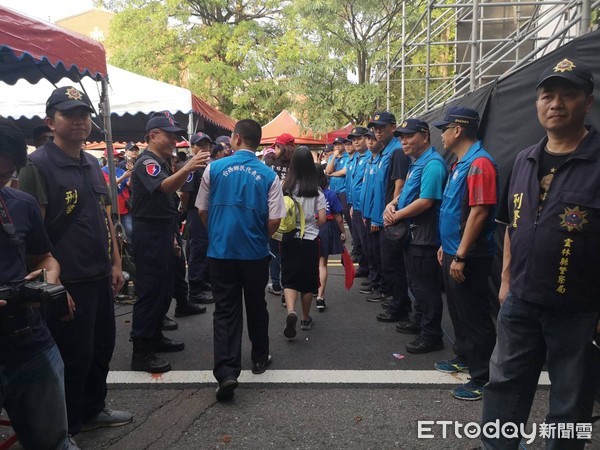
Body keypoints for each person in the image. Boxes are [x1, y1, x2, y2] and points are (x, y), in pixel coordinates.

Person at [481, 59, 600, 448]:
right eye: (548, 95)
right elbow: (514, 225)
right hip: (520, 302)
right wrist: (505, 280)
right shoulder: (523, 160)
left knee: (569, 403)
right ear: (537, 105)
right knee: (503, 389)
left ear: (588, 102)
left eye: (568, 95)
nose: (556, 104)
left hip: (579, 308)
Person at [18, 86, 132, 435]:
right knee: (71, 357)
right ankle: (65, 428)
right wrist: (51, 286)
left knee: (102, 348)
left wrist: (115, 262)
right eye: (70, 114)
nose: (80, 120)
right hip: (67, 281)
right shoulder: (37, 166)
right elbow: (29, 236)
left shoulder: (92, 162)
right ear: (50, 121)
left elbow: (103, 216)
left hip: (99, 275)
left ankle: (93, 409)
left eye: (84, 114)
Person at [0, 118, 78, 450]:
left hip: (30, 344)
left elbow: (44, 257)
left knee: (54, 442)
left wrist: (49, 278)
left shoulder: (21, 203)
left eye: (4, 176)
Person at [196, 119, 285, 402]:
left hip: (221, 251)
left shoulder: (214, 168)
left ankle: (226, 372)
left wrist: (219, 230)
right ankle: (259, 358)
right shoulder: (269, 175)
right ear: (257, 142)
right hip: (255, 253)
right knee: (256, 304)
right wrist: (257, 235)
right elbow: (275, 219)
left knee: (225, 309)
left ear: (235, 139)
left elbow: (201, 210)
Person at [129, 111, 210, 374]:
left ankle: (154, 336)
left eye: (176, 135)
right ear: (153, 136)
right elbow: (163, 188)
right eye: (169, 135)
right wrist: (187, 167)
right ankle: (141, 350)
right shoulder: (146, 162)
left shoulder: (160, 160)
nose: (174, 140)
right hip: (150, 232)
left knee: (164, 288)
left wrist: (173, 238)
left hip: (163, 230)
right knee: (150, 290)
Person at [433, 106, 498, 401]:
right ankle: (463, 355)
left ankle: (483, 376)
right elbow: (453, 210)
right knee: (459, 311)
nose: (442, 136)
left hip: (469, 255)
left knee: (474, 315)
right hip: (451, 250)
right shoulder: (460, 163)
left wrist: (460, 255)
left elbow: (479, 212)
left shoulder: (480, 164)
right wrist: (445, 248)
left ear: (457, 130)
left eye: (444, 129)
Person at [384, 119, 448, 354]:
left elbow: (426, 201)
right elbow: (407, 194)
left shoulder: (432, 164)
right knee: (416, 282)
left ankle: (431, 335)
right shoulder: (416, 163)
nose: (404, 141)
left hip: (425, 237)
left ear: (424, 135)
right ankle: (419, 320)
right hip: (413, 235)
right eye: (401, 137)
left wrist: (397, 214)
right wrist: (392, 204)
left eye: (409, 136)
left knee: (426, 287)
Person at [280, 146, 327, 338]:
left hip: (289, 237)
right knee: (308, 282)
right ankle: (305, 318)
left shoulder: (285, 186)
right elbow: (323, 219)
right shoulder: (315, 189)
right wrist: (311, 222)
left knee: (290, 278)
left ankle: (291, 311)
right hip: (309, 239)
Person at [180, 132, 215, 305]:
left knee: (206, 247)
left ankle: (203, 281)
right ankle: (194, 289)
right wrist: (189, 211)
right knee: (198, 249)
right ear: (192, 147)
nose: (205, 148)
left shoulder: (207, 165)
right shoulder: (191, 167)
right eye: (200, 145)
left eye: (207, 145)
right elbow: (185, 194)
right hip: (196, 211)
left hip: (207, 212)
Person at [264, 132, 295, 298]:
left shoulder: (269, 162)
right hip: (294, 211)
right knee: (290, 250)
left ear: (279, 146)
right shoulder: (297, 163)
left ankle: (276, 283)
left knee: (274, 249)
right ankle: (289, 284)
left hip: (273, 211)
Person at [315, 164, 346, 310]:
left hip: (308, 227)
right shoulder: (330, 194)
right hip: (326, 228)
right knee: (322, 263)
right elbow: (339, 217)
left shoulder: (303, 192)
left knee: (309, 262)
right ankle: (320, 297)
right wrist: (342, 232)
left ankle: (309, 291)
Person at [345, 126, 371, 277]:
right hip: (355, 206)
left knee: (367, 242)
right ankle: (363, 267)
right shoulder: (355, 158)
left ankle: (371, 272)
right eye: (353, 139)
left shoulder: (369, 157)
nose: (355, 142)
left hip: (364, 207)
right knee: (359, 240)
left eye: (359, 138)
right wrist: (352, 205)